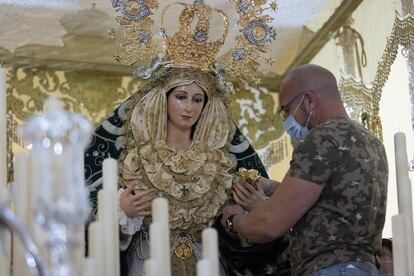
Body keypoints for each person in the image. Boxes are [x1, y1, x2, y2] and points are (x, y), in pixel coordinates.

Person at [84, 68, 290, 276]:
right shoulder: (138, 160)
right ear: (163, 99)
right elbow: (98, 231)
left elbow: (236, 230)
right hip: (149, 261)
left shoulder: (218, 163)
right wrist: (123, 213)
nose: (189, 107)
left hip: (207, 264)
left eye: (198, 99)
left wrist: (250, 210)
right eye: (181, 97)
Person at [221, 64, 388, 275]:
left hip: (329, 269)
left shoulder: (321, 138)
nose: (285, 119)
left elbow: (270, 224)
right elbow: (330, 198)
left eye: (286, 110)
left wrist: (234, 220)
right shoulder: (371, 141)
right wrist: (271, 187)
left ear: (308, 100)